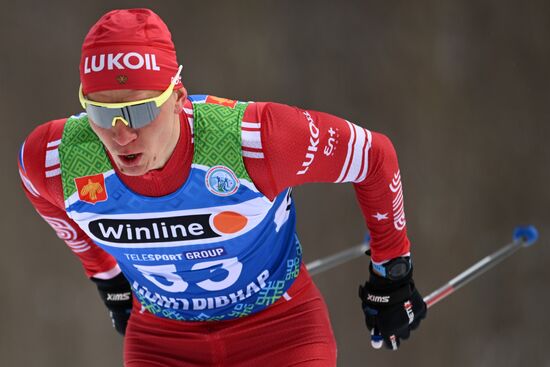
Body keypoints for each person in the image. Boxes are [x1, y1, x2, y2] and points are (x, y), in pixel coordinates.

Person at [18, 8, 426, 367]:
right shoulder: (58, 159)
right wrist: (106, 277)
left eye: (140, 110)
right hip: (162, 345)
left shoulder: (255, 141)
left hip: (280, 333)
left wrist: (391, 272)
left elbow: (373, 157)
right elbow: (39, 193)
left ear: (177, 97)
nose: (122, 134)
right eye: (102, 114)